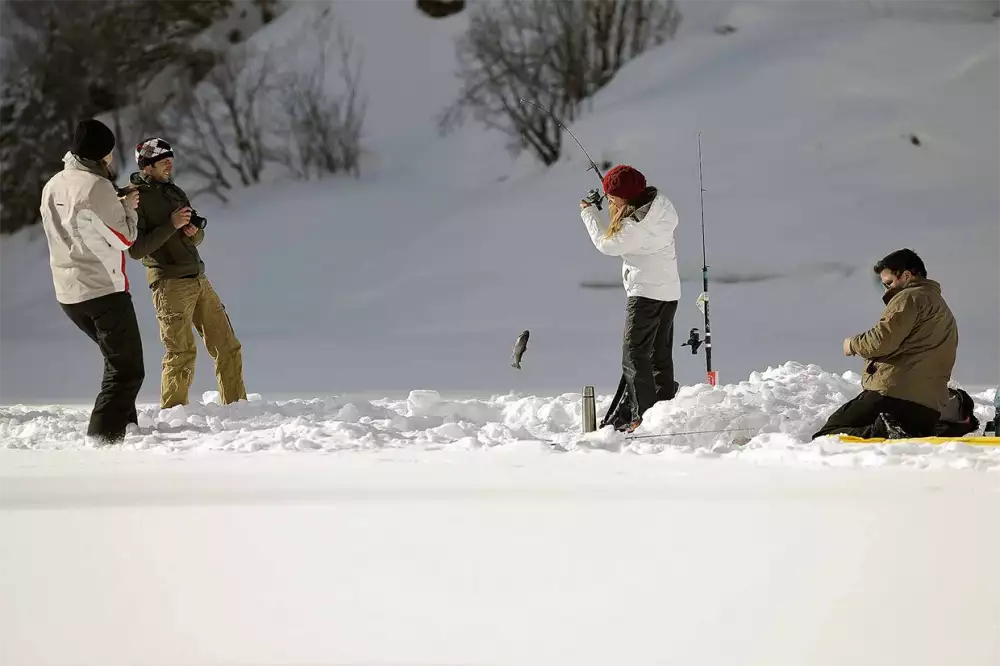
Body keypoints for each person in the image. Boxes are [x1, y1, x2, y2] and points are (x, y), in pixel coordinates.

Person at [38, 118, 144, 444]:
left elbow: (79, 222)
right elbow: (125, 238)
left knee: (116, 361)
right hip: (102, 291)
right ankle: (103, 440)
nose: (112, 159)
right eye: (109, 153)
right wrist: (128, 208)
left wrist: (114, 200)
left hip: (69, 294)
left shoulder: (53, 184)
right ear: (100, 155)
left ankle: (128, 428)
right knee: (127, 370)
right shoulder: (97, 188)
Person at [127, 137, 247, 409]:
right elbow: (135, 250)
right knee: (181, 352)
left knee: (228, 345)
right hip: (169, 283)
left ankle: (238, 409)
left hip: (197, 277)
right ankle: (173, 416)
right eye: (163, 160)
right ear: (147, 165)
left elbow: (194, 236)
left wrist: (194, 232)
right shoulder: (135, 197)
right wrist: (171, 224)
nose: (170, 164)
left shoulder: (175, 191)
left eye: (171, 159)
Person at [812, 248, 958, 440]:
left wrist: (853, 344)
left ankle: (885, 432)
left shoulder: (909, 298)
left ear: (906, 275)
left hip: (896, 394)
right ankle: (902, 433)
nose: (887, 289)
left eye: (889, 283)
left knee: (827, 435)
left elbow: (882, 340)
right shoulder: (942, 308)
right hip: (929, 406)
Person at [579, 164, 681, 433]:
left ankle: (642, 417)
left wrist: (588, 212)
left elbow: (607, 245)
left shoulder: (635, 226)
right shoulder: (660, 204)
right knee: (659, 354)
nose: (609, 200)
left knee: (634, 355)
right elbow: (623, 219)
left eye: (612, 196)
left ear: (626, 196)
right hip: (669, 292)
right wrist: (610, 201)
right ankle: (664, 408)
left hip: (645, 294)